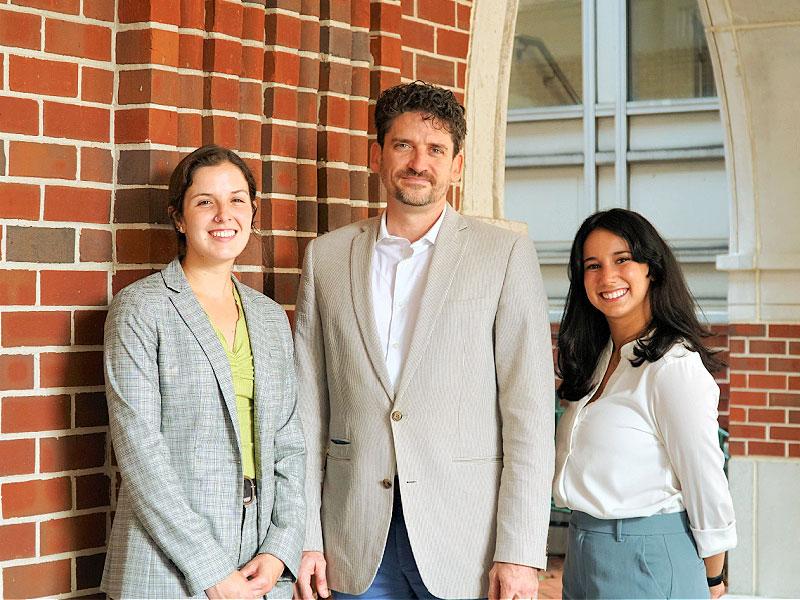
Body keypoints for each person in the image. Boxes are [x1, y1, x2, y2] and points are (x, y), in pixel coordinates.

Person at [293, 81, 554, 600]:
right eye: (404, 146)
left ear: (456, 165)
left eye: (436, 150)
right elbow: (306, 411)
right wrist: (305, 538)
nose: (419, 162)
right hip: (353, 539)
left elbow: (528, 412)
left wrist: (520, 551)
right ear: (378, 156)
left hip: (467, 543)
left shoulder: (503, 255)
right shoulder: (325, 259)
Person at [102, 145, 305, 599]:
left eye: (236, 200)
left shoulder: (270, 318)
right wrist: (211, 570)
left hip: (259, 567)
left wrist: (280, 549)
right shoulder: (141, 309)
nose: (223, 215)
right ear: (179, 217)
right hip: (166, 567)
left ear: (253, 211)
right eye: (204, 202)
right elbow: (140, 455)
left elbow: (289, 442)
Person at [553, 208, 737, 599]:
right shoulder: (600, 358)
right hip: (583, 549)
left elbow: (705, 477)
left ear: (651, 268)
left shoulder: (674, 366)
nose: (607, 277)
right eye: (592, 265)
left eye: (622, 260)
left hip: (645, 554)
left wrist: (712, 578)